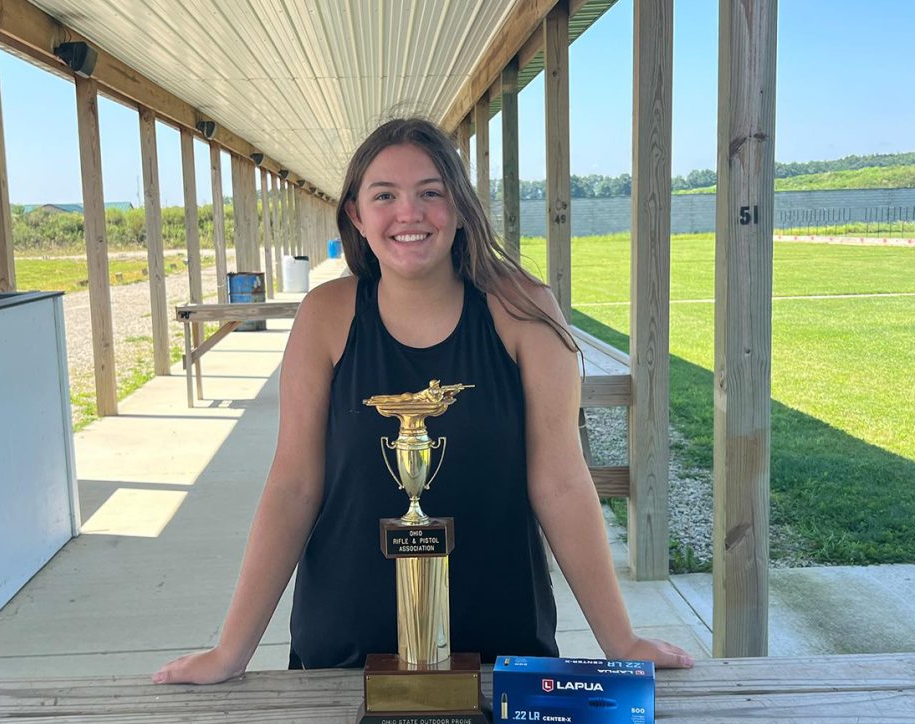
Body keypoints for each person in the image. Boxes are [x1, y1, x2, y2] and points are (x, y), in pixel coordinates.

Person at [152, 118, 694, 685]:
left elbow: (560, 482)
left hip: (497, 642)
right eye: (384, 195)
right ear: (357, 217)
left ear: (459, 207)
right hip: (346, 645)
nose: (408, 213)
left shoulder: (524, 310)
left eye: (430, 193)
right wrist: (230, 652)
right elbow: (293, 486)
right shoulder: (326, 316)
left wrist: (620, 640)